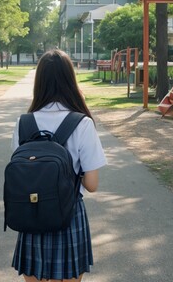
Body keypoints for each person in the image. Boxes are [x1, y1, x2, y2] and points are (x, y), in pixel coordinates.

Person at [11, 49, 107, 282]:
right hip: (68, 215)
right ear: (70, 80)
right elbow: (92, 185)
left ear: (39, 82)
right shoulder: (82, 123)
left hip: (31, 215)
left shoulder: (23, 123)